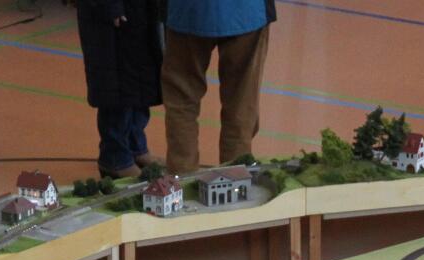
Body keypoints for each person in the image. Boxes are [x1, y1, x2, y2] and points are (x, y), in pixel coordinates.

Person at [161, 0, 277, 174]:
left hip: (185, 11)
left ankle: (181, 176)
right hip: (247, 12)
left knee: (182, 99)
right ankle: (235, 179)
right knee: (241, 102)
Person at [76, 0, 164, 179]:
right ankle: (115, 158)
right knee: (117, 88)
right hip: (110, 19)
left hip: (138, 12)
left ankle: (136, 148)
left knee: (139, 84)